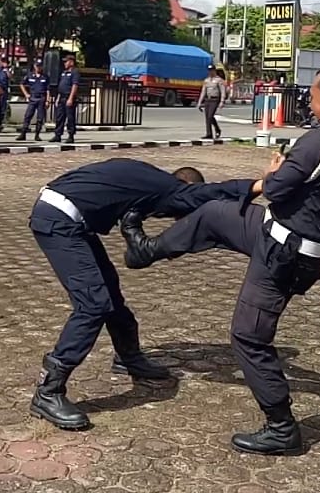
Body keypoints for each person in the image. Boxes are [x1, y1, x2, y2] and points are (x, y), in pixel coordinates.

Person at [119, 63, 320, 456]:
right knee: (214, 213)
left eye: (313, 99)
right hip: (293, 240)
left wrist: (276, 171)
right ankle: (148, 250)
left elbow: (276, 190)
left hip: (282, 252)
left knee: (249, 337)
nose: (311, 106)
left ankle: (281, 426)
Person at [28, 158, 264, 431]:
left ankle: (129, 358)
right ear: (184, 186)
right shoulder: (169, 189)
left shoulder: (147, 180)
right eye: (179, 212)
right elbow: (208, 193)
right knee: (93, 305)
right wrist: (260, 185)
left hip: (67, 215)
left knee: (109, 293)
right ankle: (49, 391)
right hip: (59, 221)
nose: (176, 217)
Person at [16, 61, 51, 142]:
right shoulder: (30, 75)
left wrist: (48, 100)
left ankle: (37, 135)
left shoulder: (45, 77)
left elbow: (48, 90)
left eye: (40, 66)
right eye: (37, 66)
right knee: (27, 116)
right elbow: (22, 84)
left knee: (40, 118)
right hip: (33, 98)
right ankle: (23, 133)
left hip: (41, 98)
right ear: (34, 66)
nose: (38, 67)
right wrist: (26, 94)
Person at [50, 54, 79, 144]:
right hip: (61, 97)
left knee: (70, 117)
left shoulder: (75, 72)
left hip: (69, 97)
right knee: (59, 117)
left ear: (71, 62)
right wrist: (58, 98)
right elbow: (60, 86)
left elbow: (75, 85)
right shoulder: (64, 72)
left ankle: (71, 135)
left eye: (66, 61)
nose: (65, 63)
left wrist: (70, 98)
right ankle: (58, 134)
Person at [198, 64, 227, 139]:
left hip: (215, 100)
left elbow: (222, 91)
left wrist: (222, 101)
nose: (210, 72)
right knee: (207, 117)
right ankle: (209, 134)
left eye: (212, 70)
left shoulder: (219, 80)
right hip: (207, 99)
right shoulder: (206, 80)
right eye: (209, 70)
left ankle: (217, 129)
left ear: (214, 70)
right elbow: (203, 92)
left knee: (210, 116)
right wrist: (200, 102)